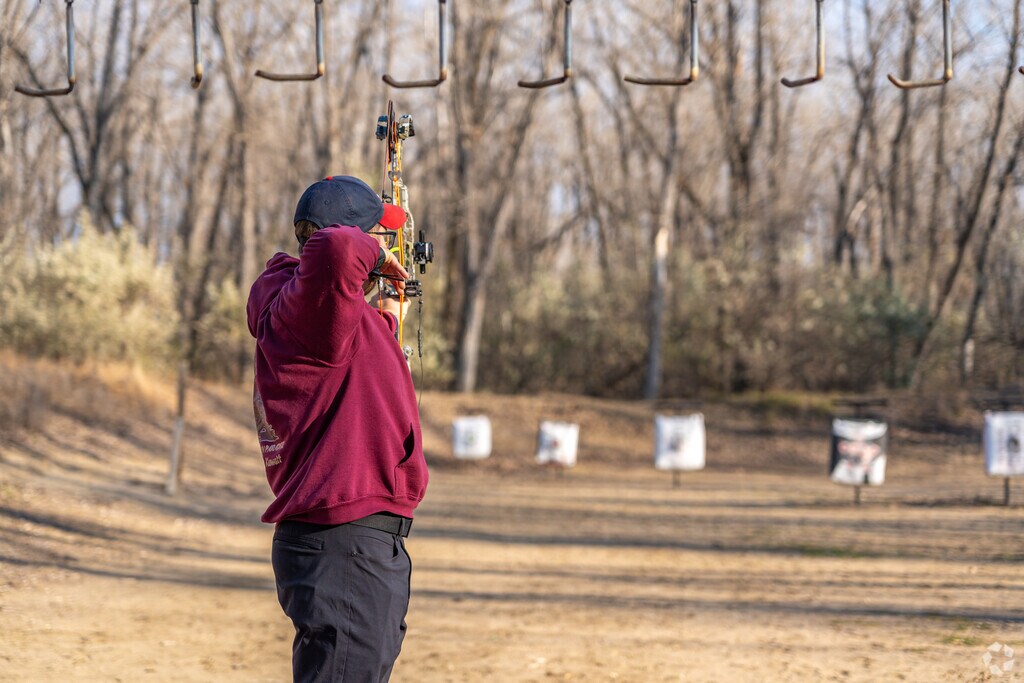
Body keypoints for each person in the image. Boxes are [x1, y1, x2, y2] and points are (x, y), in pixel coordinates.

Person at [246, 175, 429, 682]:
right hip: (343, 543)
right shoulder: (307, 308)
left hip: (349, 543)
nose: (385, 245)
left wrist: (389, 317)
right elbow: (334, 249)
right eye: (378, 234)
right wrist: (377, 255)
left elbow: (350, 374)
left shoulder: (311, 314)